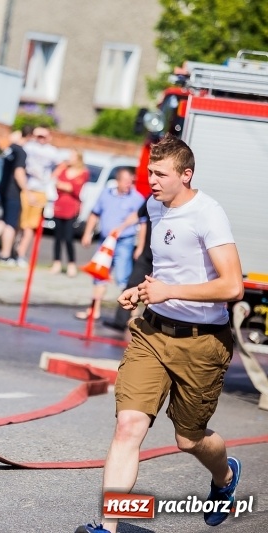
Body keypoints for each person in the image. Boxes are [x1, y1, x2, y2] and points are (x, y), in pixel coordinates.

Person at [76, 135, 245, 533]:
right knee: (128, 425)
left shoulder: (209, 214)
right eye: (149, 172)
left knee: (188, 439)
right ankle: (108, 528)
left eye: (160, 173)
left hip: (203, 341)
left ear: (186, 175)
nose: (151, 180)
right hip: (152, 333)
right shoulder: (154, 205)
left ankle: (224, 478)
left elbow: (233, 285)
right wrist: (143, 289)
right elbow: (164, 264)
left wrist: (171, 291)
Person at [76, 167, 144, 320]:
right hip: (105, 241)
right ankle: (94, 310)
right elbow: (95, 214)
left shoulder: (137, 198)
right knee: (99, 275)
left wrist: (140, 246)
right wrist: (87, 233)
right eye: (126, 181)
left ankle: (131, 314)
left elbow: (143, 223)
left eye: (131, 181)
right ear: (118, 181)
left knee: (123, 277)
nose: (129, 184)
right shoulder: (106, 195)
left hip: (124, 242)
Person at [0, 126, 31, 266]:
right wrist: (27, 191)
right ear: (29, 137)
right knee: (11, 223)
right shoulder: (21, 151)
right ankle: (5, 256)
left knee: (3, 219)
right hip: (13, 191)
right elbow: (18, 173)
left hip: (3, 189)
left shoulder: (10, 148)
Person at [17, 126, 63, 267]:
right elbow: (15, 138)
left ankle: (21, 253)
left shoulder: (52, 151)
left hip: (40, 191)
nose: (40, 138)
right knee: (20, 222)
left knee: (30, 225)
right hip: (26, 187)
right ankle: (15, 251)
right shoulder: (29, 146)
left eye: (43, 136)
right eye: (39, 136)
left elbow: (62, 164)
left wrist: (50, 177)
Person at [103, 200, 151, 332]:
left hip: (163, 258)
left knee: (154, 293)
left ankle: (151, 328)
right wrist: (121, 227)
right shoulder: (152, 200)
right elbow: (139, 217)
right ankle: (120, 321)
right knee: (132, 284)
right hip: (147, 255)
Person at [49, 149, 89, 277]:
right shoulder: (63, 170)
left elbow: (74, 188)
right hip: (59, 205)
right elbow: (53, 180)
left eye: (72, 156)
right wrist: (60, 168)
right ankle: (57, 262)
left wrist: (63, 185)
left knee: (68, 237)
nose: (70, 158)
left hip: (72, 208)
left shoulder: (83, 172)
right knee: (57, 237)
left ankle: (71, 263)